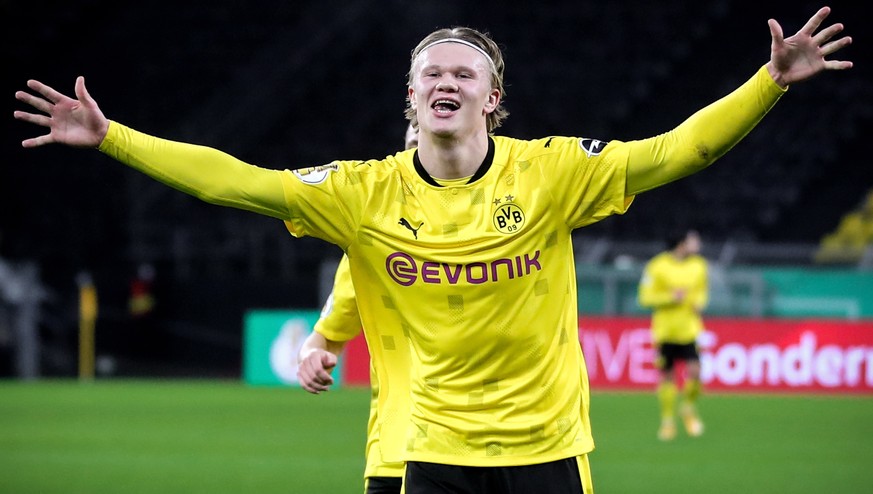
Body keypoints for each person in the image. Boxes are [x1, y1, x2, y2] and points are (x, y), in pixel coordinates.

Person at [13, 7, 852, 493]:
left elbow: (677, 152)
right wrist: (113, 136)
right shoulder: (362, 192)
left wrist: (767, 83)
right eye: (429, 74)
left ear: (495, 98)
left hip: (548, 451)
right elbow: (234, 181)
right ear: (410, 98)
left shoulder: (554, 172)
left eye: (463, 73)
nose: (444, 82)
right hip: (427, 452)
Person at [297, 124, 418, 494]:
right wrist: (311, 355)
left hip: (498, 454)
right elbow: (325, 338)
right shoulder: (372, 242)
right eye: (414, 141)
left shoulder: (506, 233)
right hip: (397, 454)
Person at [637, 229, 708, 441]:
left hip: (689, 329)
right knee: (667, 376)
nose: (698, 244)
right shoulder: (657, 266)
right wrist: (670, 297)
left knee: (695, 370)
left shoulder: (699, 266)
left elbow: (702, 292)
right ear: (682, 243)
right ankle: (667, 421)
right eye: (693, 240)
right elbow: (645, 297)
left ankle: (687, 408)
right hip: (665, 331)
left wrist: (700, 302)